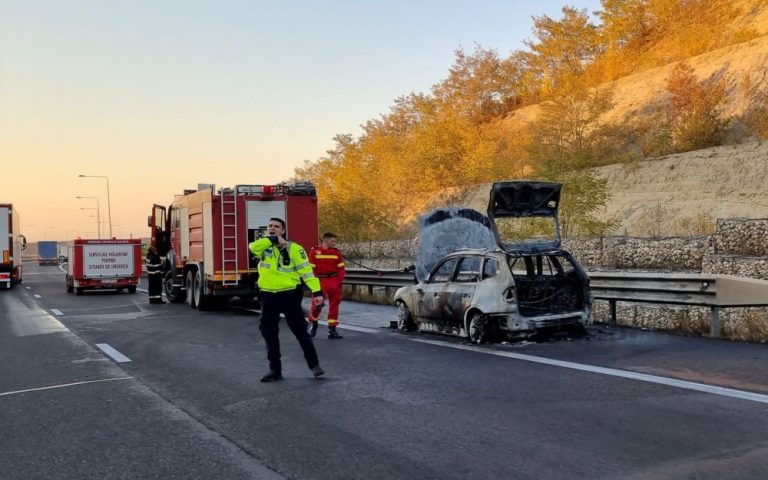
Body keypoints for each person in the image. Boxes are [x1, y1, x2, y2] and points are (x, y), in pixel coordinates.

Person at [249, 217, 325, 383]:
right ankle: (275, 370)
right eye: (269, 226)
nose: (272, 228)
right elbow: (252, 247)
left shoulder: (295, 249)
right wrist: (273, 239)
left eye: (276, 227)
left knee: (300, 331)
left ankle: (314, 365)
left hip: (289, 295)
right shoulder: (263, 246)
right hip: (268, 295)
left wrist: (317, 292)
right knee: (269, 333)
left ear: (283, 230)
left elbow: (306, 272)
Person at [308, 232, 346, 339]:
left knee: (335, 304)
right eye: (332, 241)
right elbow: (311, 269)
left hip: (333, 280)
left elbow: (341, 268)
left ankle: (332, 329)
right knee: (317, 305)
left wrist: (338, 281)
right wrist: (314, 282)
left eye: (335, 241)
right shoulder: (314, 251)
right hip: (319, 280)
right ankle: (314, 324)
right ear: (326, 240)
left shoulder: (336, 252)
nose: (334, 243)